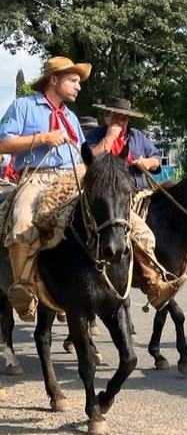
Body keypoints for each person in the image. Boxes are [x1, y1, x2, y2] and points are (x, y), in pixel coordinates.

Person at [0, 56, 90, 321]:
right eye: (73, 80)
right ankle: (24, 290)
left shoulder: (71, 118)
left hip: (73, 179)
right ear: (54, 79)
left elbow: (83, 154)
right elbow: (3, 145)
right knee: (22, 222)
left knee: (117, 216)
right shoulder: (23, 107)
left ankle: (154, 278)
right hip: (37, 179)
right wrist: (43, 138)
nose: (79, 87)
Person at [85, 96, 177, 309]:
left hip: (142, 191)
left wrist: (146, 162)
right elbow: (88, 159)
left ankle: (182, 264)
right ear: (106, 117)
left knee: (173, 214)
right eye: (116, 117)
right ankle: (151, 284)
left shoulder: (138, 137)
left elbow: (156, 158)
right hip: (110, 197)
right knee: (139, 233)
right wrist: (109, 138)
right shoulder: (95, 136)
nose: (121, 122)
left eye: (124, 119)